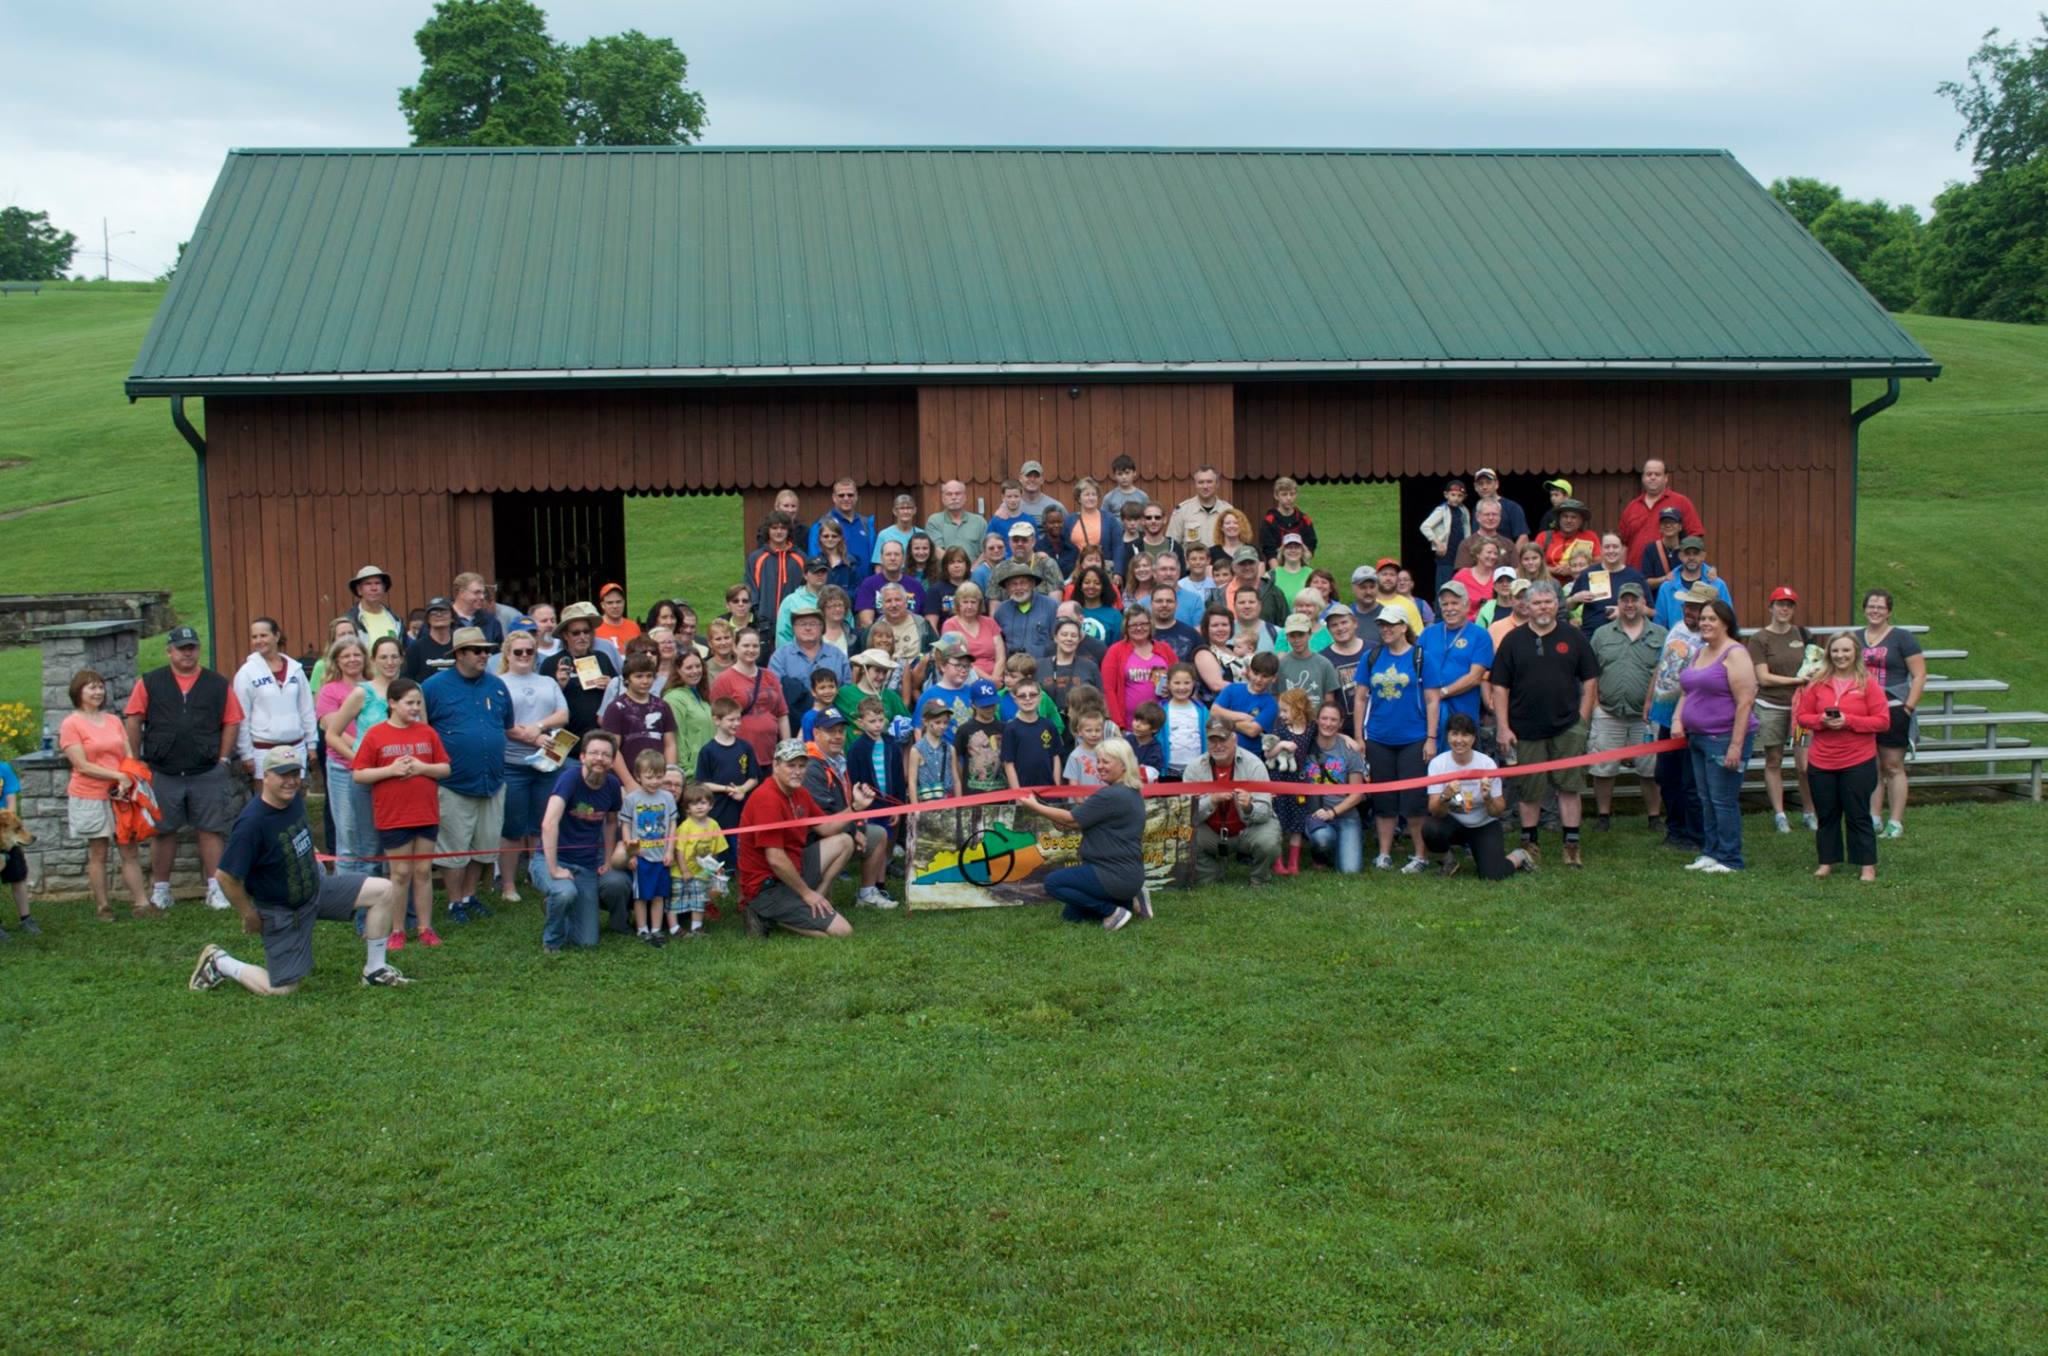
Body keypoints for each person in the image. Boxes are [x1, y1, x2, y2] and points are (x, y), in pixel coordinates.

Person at [188, 749, 410, 993]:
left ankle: (375, 971)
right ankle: (221, 962)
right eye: (283, 775)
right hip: (284, 911)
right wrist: (248, 914)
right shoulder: (252, 823)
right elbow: (226, 876)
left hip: (316, 889)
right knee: (282, 990)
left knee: (384, 890)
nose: (290, 781)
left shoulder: (293, 800)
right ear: (267, 776)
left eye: (295, 773)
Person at [124, 626, 242, 911]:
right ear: (169, 651)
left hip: (206, 770)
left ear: (198, 650)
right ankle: (161, 890)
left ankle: (216, 888)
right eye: (181, 648)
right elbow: (133, 718)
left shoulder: (217, 683)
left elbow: (232, 720)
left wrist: (223, 759)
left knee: (210, 829)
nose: (187, 652)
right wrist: (135, 761)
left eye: (192, 647)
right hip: (163, 770)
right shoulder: (150, 682)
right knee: (163, 831)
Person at [1488, 580, 1600, 867]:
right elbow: (1500, 686)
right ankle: (1529, 844)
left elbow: (1590, 678)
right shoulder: (1513, 640)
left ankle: (1571, 845)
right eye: (1537, 602)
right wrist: (1503, 726)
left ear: (1557, 605)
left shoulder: (1573, 636)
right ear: (1526, 606)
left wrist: (1583, 721)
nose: (1543, 607)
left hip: (1567, 727)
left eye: (1548, 602)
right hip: (1525, 729)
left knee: (1569, 787)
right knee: (1529, 790)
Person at [737, 738, 875, 938]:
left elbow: (827, 828)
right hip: (766, 886)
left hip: (794, 869)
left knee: (844, 841)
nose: (798, 771)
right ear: (775, 765)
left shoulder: (800, 792)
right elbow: (775, 859)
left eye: (802, 765)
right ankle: (762, 913)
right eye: (790, 765)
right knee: (842, 932)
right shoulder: (766, 798)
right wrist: (806, 894)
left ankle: (819, 897)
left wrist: (855, 807)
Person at [351, 676, 449, 948]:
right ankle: (397, 929)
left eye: (418, 703)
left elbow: (444, 768)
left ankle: (425, 926)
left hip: (426, 812)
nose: (416, 708)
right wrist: (391, 771)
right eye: (409, 703)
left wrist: (422, 768)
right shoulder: (376, 734)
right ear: (392, 703)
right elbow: (359, 774)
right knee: (400, 872)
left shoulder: (427, 733)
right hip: (394, 815)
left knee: (423, 871)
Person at [1017, 737, 1151, 931]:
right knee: (1071, 916)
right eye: (1099, 761)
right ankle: (1130, 900)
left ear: (1123, 765)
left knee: (1053, 883)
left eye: (1106, 761)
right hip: (1128, 874)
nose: (1100, 766)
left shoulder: (1110, 795)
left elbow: (1071, 819)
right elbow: (1089, 823)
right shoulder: (1131, 791)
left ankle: (1111, 911)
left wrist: (1034, 806)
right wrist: (1069, 822)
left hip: (1113, 874)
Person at [1671, 599, 1759, 873]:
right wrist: (1677, 719)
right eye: (1704, 618)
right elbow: (1688, 691)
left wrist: (1736, 745)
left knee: (1723, 799)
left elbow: (1745, 701)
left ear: (1726, 623)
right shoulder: (1700, 652)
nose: (1706, 623)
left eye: (1712, 619)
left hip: (1723, 737)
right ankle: (1711, 851)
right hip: (1698, 737)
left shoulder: (1735, 654)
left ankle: (1730, 858)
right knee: (1705, 798)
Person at [61, 668, 154, 921]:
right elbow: (81, 764)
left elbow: (128, 755)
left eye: (100, 687)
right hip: (89, 795)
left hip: (120, 796)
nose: (98, 692)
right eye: (91, 687)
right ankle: (103, 906)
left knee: (129, 849)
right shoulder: (72, 724)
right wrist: (117, 776)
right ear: (78, 692)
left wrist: (128, 777)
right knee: (99, 851)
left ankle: (142, 903)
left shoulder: (113, 720)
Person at [1796, 633, 1889, 882]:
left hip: (1858, 760)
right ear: (1829, 654)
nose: (1841, 656)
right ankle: (1827, 861)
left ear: (1855, 653)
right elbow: (1802, 716)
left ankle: (1867, 865)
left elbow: (1882, 721)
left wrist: (1850, 722)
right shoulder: (1817, 683)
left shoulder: (1868, 684)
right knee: (1826, 814)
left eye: (1846, 651)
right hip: (1822, 761)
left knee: (1858, 814)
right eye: (1836, 651)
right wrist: (1821, 721)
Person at [533, 730, 635, 952]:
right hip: (550, 858)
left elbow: (610, 823)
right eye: (594, 753)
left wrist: (607, 860)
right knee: (564, 892)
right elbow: (548, 824)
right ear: (582, 757)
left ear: (612, 760)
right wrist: (554, 869)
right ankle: (552, 941)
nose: (600, 758)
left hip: (586, 865)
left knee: (588, 941)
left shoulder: (612, 785)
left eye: (606, 755)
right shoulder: (569, 778)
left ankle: (559, 907)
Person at [1352, 607, 1431, 873]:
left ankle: (1420, 855)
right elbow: (1360, 697)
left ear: (1403, 627)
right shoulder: (1371, 657)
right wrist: (1358, 737)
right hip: (1378, 737)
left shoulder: (1421, 657)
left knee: (1414, 800)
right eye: (1381, 625)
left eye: (1390, 625)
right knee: (1383, 799)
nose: (1385, 629)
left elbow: (1433, 700)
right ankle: (1384, 853)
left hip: (1414, 737)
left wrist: (1431, 738)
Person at [493, 630, 569, 906]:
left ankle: (539, 876)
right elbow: (503, 722)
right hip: (513, 763)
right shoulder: (498, 683)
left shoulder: (548, 681)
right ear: (507, 655)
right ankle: (508, 883)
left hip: (547, 764)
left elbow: (563, 714)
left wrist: (539, 727)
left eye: (529, 651)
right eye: (518, 652)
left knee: (541, 825)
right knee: (513, 827)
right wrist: (533, 737)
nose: (524, 656)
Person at [1586, 583, 1667, 831]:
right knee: (1603, 769)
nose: (1630, 605)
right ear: (1618, 604)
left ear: (1644, 603)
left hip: (1646, 716)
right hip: (1608, 712)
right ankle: (1603, 816)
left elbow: (1665, 673)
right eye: (1625, 600)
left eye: (1634, 600)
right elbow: (1591, 672)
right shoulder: (1602, 634)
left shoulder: (1661, 635)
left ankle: (1654, 817)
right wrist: (1596, 706)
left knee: (1650, 769)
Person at [1422, 713, 1536, 879]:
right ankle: (1448, 862)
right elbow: (1435, 811)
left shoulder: (1486, 764)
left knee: (1492, 875)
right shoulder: (1438, 764)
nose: (1459, 740)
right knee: (1430, 829)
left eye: (1465, 735)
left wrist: (1488, 797)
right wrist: (1445, 797)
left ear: (1474, 738)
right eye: (1454, 734)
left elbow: (1497, 812)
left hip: (1483, 824)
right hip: (1454, 823)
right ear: (1447, 736)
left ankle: (1519, 856)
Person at [803, 709, 894, 909]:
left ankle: (867, 894)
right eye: (831, 731)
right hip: (811, 841)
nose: (837, 736)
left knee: (878, 834)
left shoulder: (837, 761)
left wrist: (857, 822)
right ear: (816, 733)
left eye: (841, 731)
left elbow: (841, 806)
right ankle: (817, 897)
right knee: (846, 839)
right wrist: (852, 829)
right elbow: (823, 821)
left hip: (837, 829)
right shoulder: (811, 767)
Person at [1645, 582, 1713, 850]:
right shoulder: (1676, 628)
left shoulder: (1711, 642)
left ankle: (1695, 835)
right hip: (1664, 716)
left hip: (1691, 719)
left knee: (1691, 782)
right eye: (1688, 606)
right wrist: (1650, 698)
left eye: (1697, 608)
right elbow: (1662, 665)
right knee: (1665, 776)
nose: (1690, 612)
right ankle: (1675, 830)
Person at [1747, 586, 1816, 834]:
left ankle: (1810, 811)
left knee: (1804, 764)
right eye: (1780, 604)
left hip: (1800, 711)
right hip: (1771, 707)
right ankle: (1780, 814)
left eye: (1789, 604)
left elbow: (1814, 664)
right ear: (1771, 607)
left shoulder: (1803, 634)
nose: (1784, 608)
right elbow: (1763, 678)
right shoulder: (1759, 639)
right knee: (1774, 759)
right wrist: (1797, 682)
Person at [1858, 588, 1925, 840]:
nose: (1875, 611)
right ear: (1864, 609)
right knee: (1870, 765)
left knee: (1893, 765)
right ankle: (1873, 817)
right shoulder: (1856, 637)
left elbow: (1919, 675)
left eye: (1881, 607)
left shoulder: (1902, 638)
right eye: (1871, 606)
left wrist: (1908, 706)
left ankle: (1895, 821)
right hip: (1864, 711)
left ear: (1889, 611)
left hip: (1894, 708)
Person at [1190, 713, 1282, 885]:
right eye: (1212, 740)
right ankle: (1211, 873)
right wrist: (1212, 801)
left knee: (1268, 839)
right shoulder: (1194, 768)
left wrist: (1249, 807)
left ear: (1235, 739)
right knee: (1185, 834)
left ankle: (1259, 879)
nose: (1218, 746)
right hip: (1211, 833)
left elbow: (1265, 812)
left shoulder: (1254, 765)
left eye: (1223, 740)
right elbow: (1187, 814)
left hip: (1246, 830)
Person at [315, 636, 376, 876]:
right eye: (346, 656)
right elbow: (333, 728)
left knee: (372, 832)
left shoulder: (374, 686)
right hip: (343, 767)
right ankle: (348, 892)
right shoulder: (329, 691)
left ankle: (373, 888)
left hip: (374, 769)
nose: (352, 660)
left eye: (356, 655)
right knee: (348, 832)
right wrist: (363, 751)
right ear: (337, 661)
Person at [233, 617, 317, 780]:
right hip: (263, 750)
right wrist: (246, 753)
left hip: (295, 747)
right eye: (254, 637)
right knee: (266, 800)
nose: (259, 640)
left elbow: (306, 709)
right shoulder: (246, 673)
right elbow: (242, 716)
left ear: (276, 636)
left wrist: (311, 744)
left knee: (295, 797)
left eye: (263, 635)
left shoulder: (295, 669)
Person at [1418, 581, 1493, 754]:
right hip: (1430, 717)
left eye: (1454, 603)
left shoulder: (1480, 635)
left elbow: (1475, 678)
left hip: (1463, 717)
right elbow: (1416, 668)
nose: (1449, 608)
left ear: (1466, 606)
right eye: (1445, 604)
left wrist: (1442, 693)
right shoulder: (1428, 633)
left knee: (1461, 769)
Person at [619, 749, 679, 946]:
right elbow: (626, 827)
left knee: (659, 895)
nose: (654, 781)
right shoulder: (632, 799)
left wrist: (670, 850)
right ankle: (642, 929)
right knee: (641, 896)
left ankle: (656, 929)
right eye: (649, 777)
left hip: (661, 856)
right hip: (642, 857)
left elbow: (672, 824)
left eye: (659, 777)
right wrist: (631, 854)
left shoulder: (667, 798)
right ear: (638, 776)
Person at [710, 629, 789, 765]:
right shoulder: (724, 680)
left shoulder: (769, 676)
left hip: (770, 754)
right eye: (746, 646)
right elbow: (717, 720)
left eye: (755, 646)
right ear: (735, 647)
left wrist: (786, 748)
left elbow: (782, 715)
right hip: (738, 755)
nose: (751, 650)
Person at [1101, 607, 1175, 731]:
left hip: (1165, 724)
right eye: (1133, 625)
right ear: (1126, 627)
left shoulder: (1165, 649)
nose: (1139, 628)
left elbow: (1180, 677)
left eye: (1143, 624)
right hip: (1130, 726)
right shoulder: (1115, 651)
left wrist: (1171, 689)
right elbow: (1108, 689)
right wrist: (1118, 724)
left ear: (1150, 625)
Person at [1617, 458, 1705, 560]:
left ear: (1666, 478)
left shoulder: (1681, 502)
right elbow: (1623, 545)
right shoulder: (1632, 507)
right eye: (1649, 474)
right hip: (1635, 572)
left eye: (1657, 474)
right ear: (1643, 478)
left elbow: (1695, 538)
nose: (1652, 477)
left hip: (1670, 572)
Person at [1568, 533, 1647, 635]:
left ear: (1622, 549)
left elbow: (1652, 611)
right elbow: (1567, 606)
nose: (1611, 551)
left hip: (1625, 637)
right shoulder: (1587, 574)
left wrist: (1625, 610)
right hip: (1592, 635)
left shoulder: (1635, 576)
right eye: (1607, 547)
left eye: (1615, 547)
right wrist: (1575, 598)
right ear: (1601, 549)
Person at [1651, 538, 1731, 629]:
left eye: (1695, 553)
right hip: (1676, 642)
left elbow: (1729, 621)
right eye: (1687, 553)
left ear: (1703, 556)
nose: (1691, 558)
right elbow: (1659, 626)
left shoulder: (1718, 585)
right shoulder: (1666, 588)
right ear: (1680, 556)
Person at [746, 511, 807, 625]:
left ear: (788, 530)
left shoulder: (800, 558)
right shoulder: (756, 558)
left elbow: (806, 588)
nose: (779, 532)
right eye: (774, 528)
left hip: (795, 620)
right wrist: (757, 612)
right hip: (764, 622)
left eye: (783, 528)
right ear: (767, 530)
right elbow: (750, 587)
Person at [808, 478, 877, 572]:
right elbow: (814, 561)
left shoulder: (866, 525)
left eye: (850, 495)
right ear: (834, 497)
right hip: (833, 585)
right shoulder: (821, 525)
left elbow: (875, 560)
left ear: (856, 496)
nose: (846, 498)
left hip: (864, 585)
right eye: (841, 495)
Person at [993, 562, 1056, 660]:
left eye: (1023, 583)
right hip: (1012, 670)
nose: (1018, 588)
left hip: (1042, 668)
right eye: (1013, 584)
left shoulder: (1051, 606)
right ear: (1007, 588)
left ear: (1032, 584)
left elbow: (1058, 639)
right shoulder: (1001, 612)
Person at [1275, 614, 1342, 707]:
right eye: (1292, 636)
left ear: (1310, 634)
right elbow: (1275, 697)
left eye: (1301, 635)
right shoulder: (1280, 665)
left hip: (1316, 719)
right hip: (1288, 719)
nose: (1297, 640)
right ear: (1287, 637)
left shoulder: (1324, 664)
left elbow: (1329, 701)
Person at [1166, 465, 1234, 551]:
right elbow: (1172, 544)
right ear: (1195, 484)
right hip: (1191, 563)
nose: (1205, 486)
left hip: (1220, 563)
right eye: (1201, 482)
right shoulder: (1182, 511)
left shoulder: (1228, 510)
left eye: (1209, 482)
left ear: (1217, 484)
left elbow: (1235, 543)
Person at [1421, 478, 1474, 588]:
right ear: (1446, 495)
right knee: (1444, 586)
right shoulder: (1442, 510)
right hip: (1446, 556)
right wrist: (1438, 543)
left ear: (1464, 497)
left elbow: (1467, 529)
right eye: (1453, 495)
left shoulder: (1464, 511)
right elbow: (1425, 526)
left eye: (1459, 496)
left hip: (1460, 556)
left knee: (1460, 586)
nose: (1456, 498)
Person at [1258, 476, 1318, 567]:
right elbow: (1269, 551)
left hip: (1300, 568)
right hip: (1277, 568)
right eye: (1284, 494)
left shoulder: (1305, 520)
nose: (1289, 498)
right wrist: (1280, 574)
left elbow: (1311, 546)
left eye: (1292, 494)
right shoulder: (1269, 521)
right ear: (1276, 496)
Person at [1066, 477, 1124, 571]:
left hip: (1103, 571)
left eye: (1094, 494)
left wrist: (1118, 572)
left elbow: (1118, 547)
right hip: (1076, 571)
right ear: (1079, 498)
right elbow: (1064, 548)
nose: (1091, 498)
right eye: (1087, 495)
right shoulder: (1069, 521)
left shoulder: (1110, 519)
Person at [925, 479, 990, 557]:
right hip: (944, 568)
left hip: (974, 568)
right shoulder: (934, 521)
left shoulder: (979, 522)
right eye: (949, 494)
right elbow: (936, 550)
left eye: (958, 493)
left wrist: (973, 568)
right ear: (943, 498)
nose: (954, 497)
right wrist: (955, 566)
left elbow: (986, 551)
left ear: (965, 497)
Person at [1469, 468, 1530, 544]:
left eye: (1488, 483)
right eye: (1480, 484)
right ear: (1475, 487)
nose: (1484, 487)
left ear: (1497, 484)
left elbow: (1523, 537)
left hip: (1505, 554)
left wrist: (1513, 556)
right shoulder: (1476, 509)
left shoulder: (1512, 507)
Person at [1636, 507, 1687, 597]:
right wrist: (1664, 579)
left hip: (1684, 603)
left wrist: (1711, 571)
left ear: (1680, 527)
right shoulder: (1651, 549)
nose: (1668, 525)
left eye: (1672, 522)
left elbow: (1699, 569)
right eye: (1664, 522)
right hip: (1659, 602)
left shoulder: (1687, 549)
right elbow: (1645, 583)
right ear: (1660, 527)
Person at [403, 597, 458, 680]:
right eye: (433, 612)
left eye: (444, 611)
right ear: (427, 619)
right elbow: (407, 681)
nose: (439, 614)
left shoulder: (460, 646)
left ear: (452, 617)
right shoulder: (415, 649)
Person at [450, 572, 504, 646]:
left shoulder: (491, 622)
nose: (482, 597)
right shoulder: (444, 619)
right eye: (477, 592)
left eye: (483, 592)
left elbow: (498, 654)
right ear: (461, 592)